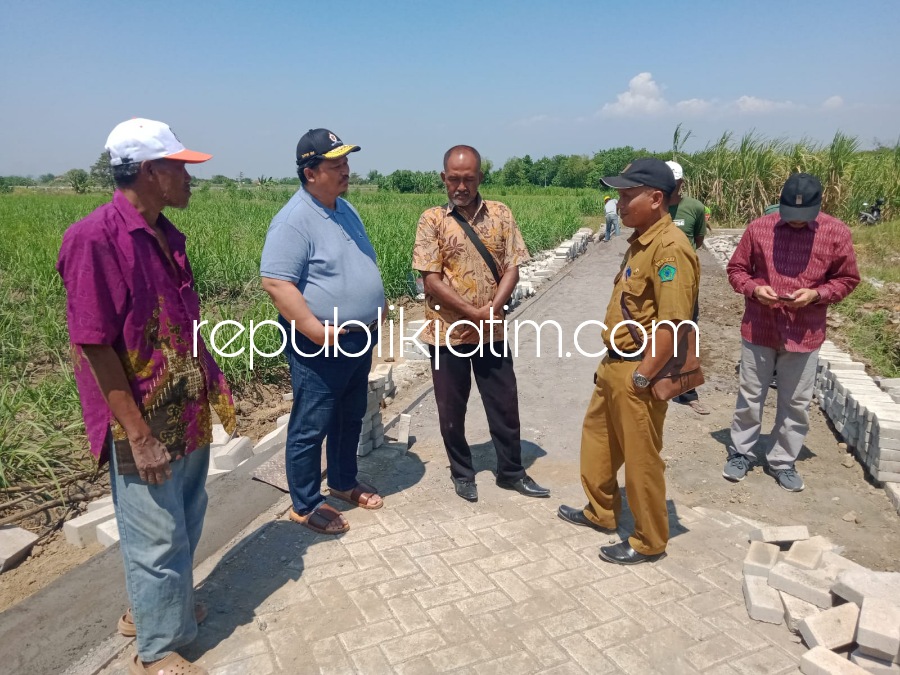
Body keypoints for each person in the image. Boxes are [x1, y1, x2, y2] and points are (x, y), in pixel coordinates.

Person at [56, 118, 236, 675]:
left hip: (185, 405)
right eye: (181, 168)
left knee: (184, 519)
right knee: (155, 537)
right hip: (140, 418)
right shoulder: (95, 238)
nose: (190, 178)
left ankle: (155, 611)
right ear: (151, 172)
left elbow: (179, 323)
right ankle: (157, 652)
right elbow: (93, 343)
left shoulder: (164, 234)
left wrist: (212, 387)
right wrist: (137, 433)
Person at [558, 158, 699, 565]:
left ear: (655, 198)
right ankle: (601, 511)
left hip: (639, 370)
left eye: (626, 196)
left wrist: (642, 377)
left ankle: (649, 539)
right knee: (598, 441)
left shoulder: (670, 248)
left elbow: (673, 324)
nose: (618, 204)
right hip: (615, 364)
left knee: (641, 460)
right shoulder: (641, 242)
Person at [261, 128, 386, 534]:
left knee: (350, 415)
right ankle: (305, 503)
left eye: (346, 162)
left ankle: (343, 481)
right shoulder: (294, 220)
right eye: (336, 165)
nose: (346, 170)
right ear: (310, 172)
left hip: (356, 337)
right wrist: (314, 330)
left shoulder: (344, 209)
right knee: (311, 424)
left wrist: (375, 306)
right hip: (320, 343)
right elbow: (276, 282)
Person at [412, 145, 550, 503]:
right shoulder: (432, 220)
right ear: (443, 178)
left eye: (469, 179)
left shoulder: (500, 214)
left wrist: (493, 309)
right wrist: (471, 313)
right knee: (451, 409)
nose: (461, 187)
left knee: (504, 403)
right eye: (454, 179)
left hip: (492, 331)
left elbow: (513, 267)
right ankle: (462, 472)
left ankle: (512, 472)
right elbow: (431, 279)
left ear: (480, 178)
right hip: (448, 333)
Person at [724, 173, 859, 491]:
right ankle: (741, 452)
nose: (796, 222)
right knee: (750, 395)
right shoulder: (760, 228)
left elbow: (847, 279)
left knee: (796, 401)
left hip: (804, 331)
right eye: (790, 215)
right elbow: (736, 270)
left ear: (818, 206)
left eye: (804, 216)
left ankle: (783, 460)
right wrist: (755, 289)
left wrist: (817, 294)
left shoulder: (836, 232)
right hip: (760, 326)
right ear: (780, 204)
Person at [666, 160, 710, 415]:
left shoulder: (694, 207)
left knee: (687, 331)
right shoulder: (654, 207)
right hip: (657, 281)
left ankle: (687, 391)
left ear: (681, 183)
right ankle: (655, 381)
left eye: (674, 183)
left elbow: (698, 240)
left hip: (685, 282)